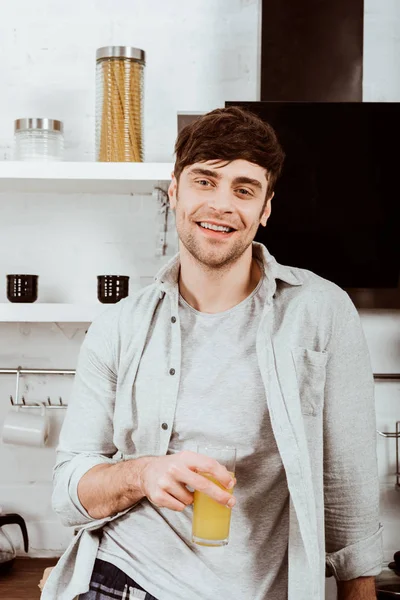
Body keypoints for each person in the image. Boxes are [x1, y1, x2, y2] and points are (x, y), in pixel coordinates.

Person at [42, 107, 383, 600]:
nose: (222, 205)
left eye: (244, 189)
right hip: (124, 579)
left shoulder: (320, 312)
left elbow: (347, 481)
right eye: (205, 181)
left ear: (265, 209)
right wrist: (145, 471)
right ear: (175, 191)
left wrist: (359, 590)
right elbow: (68, 490)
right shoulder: (118, 326)